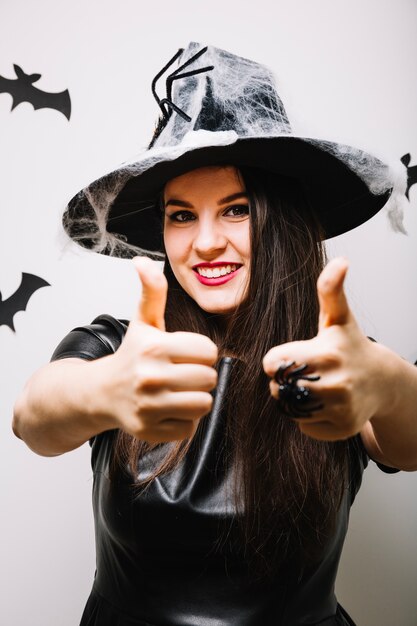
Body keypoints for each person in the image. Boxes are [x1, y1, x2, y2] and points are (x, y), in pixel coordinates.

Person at [12, 43, 417, 626]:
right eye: (181, 215)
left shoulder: (335, 362)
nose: (204, 243)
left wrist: (390, 384)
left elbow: (408, 441)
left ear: (281, 221)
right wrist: (106, 391)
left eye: (236, 210)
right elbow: (34, 418)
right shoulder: (121, 350)